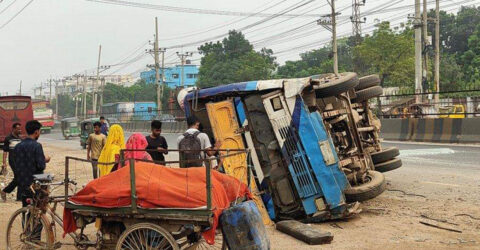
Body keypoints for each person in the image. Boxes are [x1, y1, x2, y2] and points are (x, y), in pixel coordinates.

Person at [13, 120, 50, 207]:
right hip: (35, 183)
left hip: (23, 183)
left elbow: (17, 163)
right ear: (36, 132)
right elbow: (41, 166)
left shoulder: (18, 146)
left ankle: (25, 220)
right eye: (39, 131)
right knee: (36, 207)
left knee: (25, 207)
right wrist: (45, 159)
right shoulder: (37, 146)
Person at [1, 123, 22, 201]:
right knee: (19, 177)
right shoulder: (8, 138)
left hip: (21, 161)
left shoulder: (20, 139)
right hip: (13, 161)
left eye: (20, 128)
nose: (20, 130)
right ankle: (6, 191)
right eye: (18, 129)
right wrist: (4, 163)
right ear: (13, 129)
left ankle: (18, 197)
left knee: (20, 177)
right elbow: (5, 151)